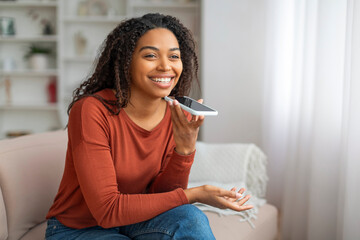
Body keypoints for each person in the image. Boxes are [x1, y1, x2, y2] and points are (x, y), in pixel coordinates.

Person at [45, 13, 253, 240]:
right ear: (126, 61)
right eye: (151, 55)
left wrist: (184, 150)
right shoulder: (92, 111)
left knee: (191, 218)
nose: (166, 66)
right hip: (79, 229)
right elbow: (107, 210)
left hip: (136, 221)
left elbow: (163, 198)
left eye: (174, 56)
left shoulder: (174, 112)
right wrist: (193, 194)